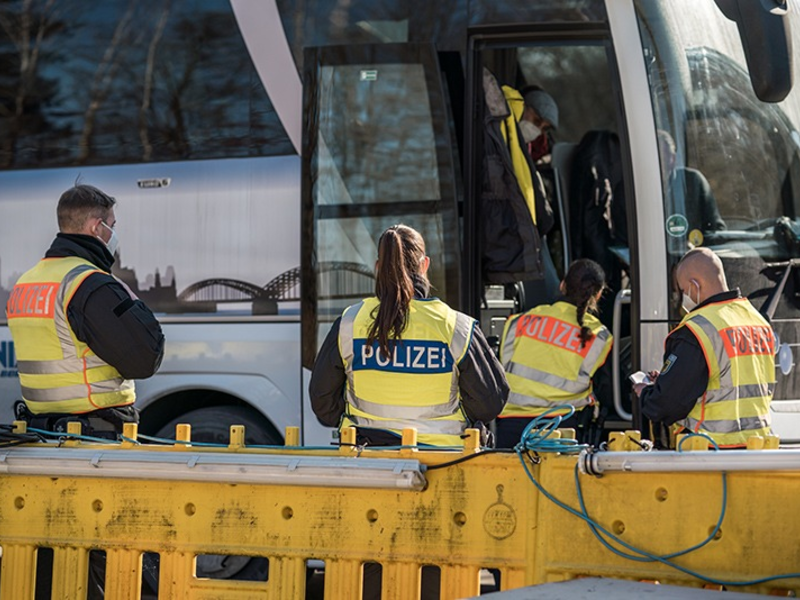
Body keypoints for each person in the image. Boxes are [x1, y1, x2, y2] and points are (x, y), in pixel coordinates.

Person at [310, 224, 508, 448]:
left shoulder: (349, 323)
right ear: (424, 265)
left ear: (378, 267)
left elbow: (322, 402)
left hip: (364, 456)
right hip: (442, 459)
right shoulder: (456, 326)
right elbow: (490, 403)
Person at [5, 184, 165, 438]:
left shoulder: (26, 283)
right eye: (113, 224)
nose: (114, 233)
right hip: (93, 433)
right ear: (96, 227)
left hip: (39, 431)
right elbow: (145, 358)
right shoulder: (88, 284)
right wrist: (132, 301)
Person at [635, 248, 775, 448]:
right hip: (759, 448)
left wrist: (647, 393)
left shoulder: (698, 329)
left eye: (684, 290)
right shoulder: (758, 321)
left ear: (694, 285)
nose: (684, 296)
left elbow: (668, 403)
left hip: (709, 452)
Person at [496, 259, 613, 448]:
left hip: (511, 427)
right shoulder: (599, 336)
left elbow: (499, 371)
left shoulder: (519, 322)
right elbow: (603, 388)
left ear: (562, 286)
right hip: (563, 430)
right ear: (598, 295)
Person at [658, 130, 726, 234]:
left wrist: (695, 246)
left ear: (672, 159)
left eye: (660, 157)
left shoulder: (692, 183)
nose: (656, 162)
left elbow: (716, 231)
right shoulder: (630, 190)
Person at [519, 85, 559, 164]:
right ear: (522, 108)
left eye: (545, 128)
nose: (538, 129)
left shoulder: (538, 150)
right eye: (536, 121)